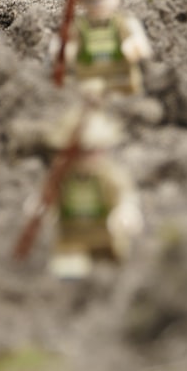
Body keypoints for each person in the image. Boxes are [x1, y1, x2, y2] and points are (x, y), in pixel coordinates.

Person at [45, 109, 143, 279]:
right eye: (82, 151)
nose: (89, 157)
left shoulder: (109, 176)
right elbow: (50, 197)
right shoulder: (63, 177)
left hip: (104, 236)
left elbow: (124, 195)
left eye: (95, 150)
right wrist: (43, 209)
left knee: (112, 273)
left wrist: (125, 211)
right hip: (72, 236)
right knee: (69, 274)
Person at [63, 0, 151, 95]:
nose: (97, 1)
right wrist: (66, 51)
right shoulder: (79, 25)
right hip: (88, 80)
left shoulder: (123, 22)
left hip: (120, 78)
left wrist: (135, 47)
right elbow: (68, 46)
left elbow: (140, 44)